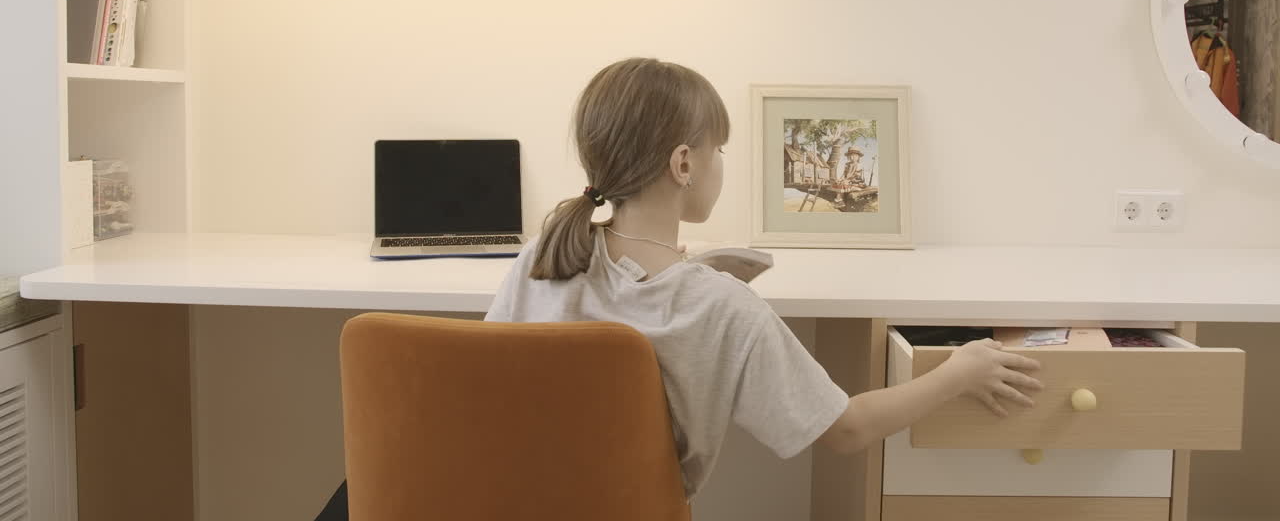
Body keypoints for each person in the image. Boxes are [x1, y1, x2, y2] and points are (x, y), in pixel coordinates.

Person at [315, 58, 1041, 517]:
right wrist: (961, 370)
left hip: (494, 500)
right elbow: (845, 429)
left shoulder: (545, 255)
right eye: (719, 150)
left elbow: (502, 370)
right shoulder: (720, 307)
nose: (724, 164)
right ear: (685, 165)